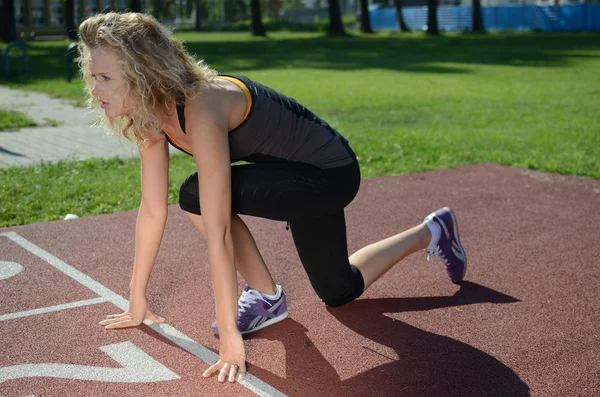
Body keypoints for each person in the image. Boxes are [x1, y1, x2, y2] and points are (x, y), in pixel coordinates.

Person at [78, 12, 467, 384]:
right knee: (338, 291)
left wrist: (229, 337)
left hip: (330, 175)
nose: (95, 89)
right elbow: (150, 212)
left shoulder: (201, 107)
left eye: (106, 77)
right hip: (293, 178)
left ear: (145, 74)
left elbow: (220, 233)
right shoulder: (150, 116)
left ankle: (265, 296)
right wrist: (137, 300)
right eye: (93, 76)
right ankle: (431, 231)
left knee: (196, 196)